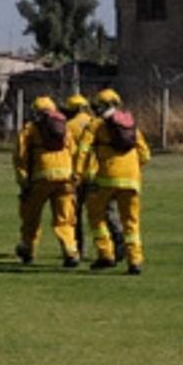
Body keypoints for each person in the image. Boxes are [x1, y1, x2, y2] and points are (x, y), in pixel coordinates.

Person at [73, 88, 151, 275]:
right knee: (131, 223)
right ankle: (135, 261)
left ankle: (105, 254)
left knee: (96, 215)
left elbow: (83, 150)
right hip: (132, 180)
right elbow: (145, 154)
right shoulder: (131, 124)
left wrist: (79, 174)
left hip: (106, 178)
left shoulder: (96, 125)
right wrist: (133, 170)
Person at [13, 96, 80, 267]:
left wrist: (23, 180)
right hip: (65, 178)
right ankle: (70, 251)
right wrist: (75, 176)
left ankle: (28, 249)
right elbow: (73, 151)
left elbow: (20, 156)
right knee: (64, 218)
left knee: (31, 217)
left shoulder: (30, 129)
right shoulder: (65, 128)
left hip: (40, 178)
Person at [63, 93, 124, 260]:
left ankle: (79, 249)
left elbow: (70, 151)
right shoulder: (98, 123)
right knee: (108, 211)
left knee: (75, 213)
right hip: (99, 174)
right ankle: (118, 241)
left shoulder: (68, 126)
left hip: (79, 174)